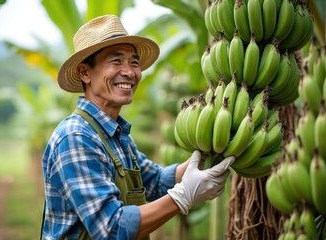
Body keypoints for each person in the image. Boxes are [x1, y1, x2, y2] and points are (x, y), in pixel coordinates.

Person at [40, 14, 235, 240]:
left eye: (134, 62)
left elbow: (154, 182)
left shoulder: (116, 135)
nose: (130, 72)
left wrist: (203, 159)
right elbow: (112, 229)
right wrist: (183, 196)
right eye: (116, 61)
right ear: (85, 72)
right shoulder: (76, 137)